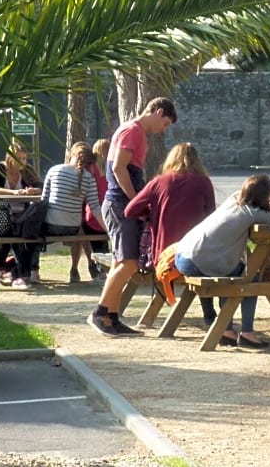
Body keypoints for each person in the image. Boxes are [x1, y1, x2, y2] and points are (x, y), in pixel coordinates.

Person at [174, 174, 270, 349]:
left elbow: (258, 201)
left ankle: (226, 329)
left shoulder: (234, 198)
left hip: (182, 255)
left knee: (237, 270)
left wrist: (269, 196)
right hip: (200, 262)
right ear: (263, 196)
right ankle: (247, 332)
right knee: (250, 278)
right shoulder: (252, 214)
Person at [87, 97, 177, 338]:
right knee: (129, 262)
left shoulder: (131, 131)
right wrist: (137, 200)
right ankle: (99, 313)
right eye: (165, 123)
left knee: (121, 262)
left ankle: (112, 318)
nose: (163, 129)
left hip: (119, 204)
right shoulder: (133, 130)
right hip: (120, 204)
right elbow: (119, 168)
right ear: (158, 112)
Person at [125, 142, 216, 326]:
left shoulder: (159, 181)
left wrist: (151, 214)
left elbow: (130, 210)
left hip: (164, 255)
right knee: (206, 268)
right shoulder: (203, 182)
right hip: (194, 254)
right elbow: (212, 216)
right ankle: (210, 315)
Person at [41, 142, 105, 283]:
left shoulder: (54, 170)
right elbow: (95, 207)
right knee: (79, 228)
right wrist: (108, 229)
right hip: (72, 228)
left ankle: (33, 271)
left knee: (78, 226)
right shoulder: (89, 178)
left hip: (50, 226)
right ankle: (89, 265)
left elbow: (43, 200)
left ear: (72, 155)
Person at [0, 141, 42, 289]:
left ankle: (6, 270)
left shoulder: (27, 170)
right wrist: (14, 192)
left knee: (25, 232)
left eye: (24, 158)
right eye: (19, 158)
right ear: (10, 158)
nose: (23, 162)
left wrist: (33, 191)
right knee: (16, 233)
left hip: (21, 214)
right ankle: (21, 274)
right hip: (1, 214)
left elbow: (40, 186)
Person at [72, 138, 110, 283]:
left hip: (92, 217)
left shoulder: (88, 170)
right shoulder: (112, 170)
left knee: (87, 230)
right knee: (99, 237)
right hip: (106, 215)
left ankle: (97, 269)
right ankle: (99, 269)